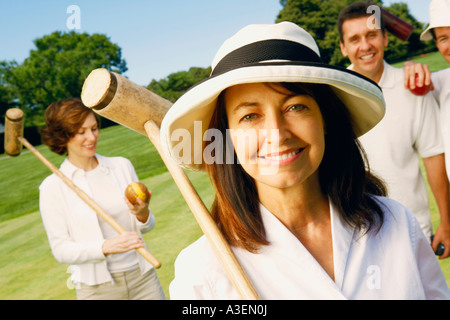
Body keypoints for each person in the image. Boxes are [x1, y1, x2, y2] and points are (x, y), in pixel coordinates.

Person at [160, 21, 450, 299]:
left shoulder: (397, 223)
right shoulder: (201, 272)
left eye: (295, 106)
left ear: (326, 119)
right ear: (227, 139)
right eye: (250, 116)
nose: (277, 133)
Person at [338, 1, 450, 258]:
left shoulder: (412, 87)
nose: (365, 46)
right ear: (343, 48)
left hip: (413, 232)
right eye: (354, 39)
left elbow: (434, 158)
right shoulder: (333, 97)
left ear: (385, 38)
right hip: (353, 236)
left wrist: (446, 221)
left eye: (371, 35)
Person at [39, 98, 165, 300]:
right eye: (81, 132)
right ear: (64, 137)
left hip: (143, 278)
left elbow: (146, 227)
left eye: (94, 128)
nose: (91, 137)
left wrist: (142, 214)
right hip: (96, 290)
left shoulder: (121, 167)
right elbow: (61, 250)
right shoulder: (52, 188)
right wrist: (105, 247)